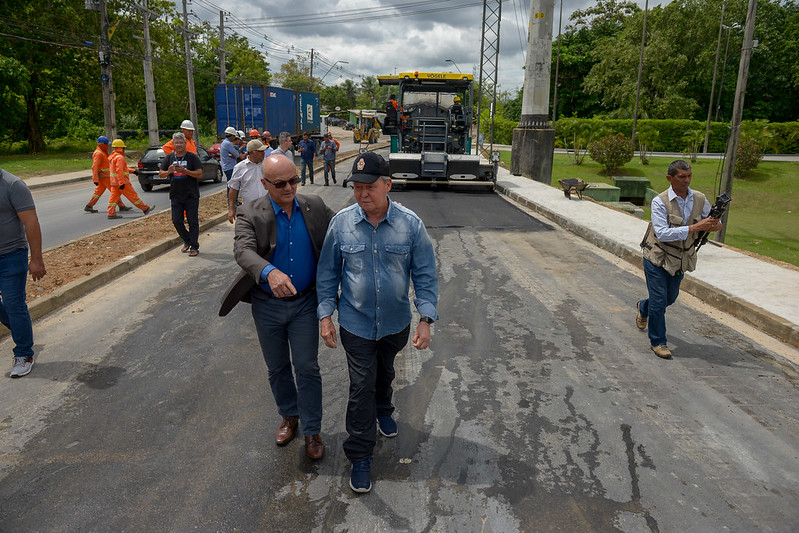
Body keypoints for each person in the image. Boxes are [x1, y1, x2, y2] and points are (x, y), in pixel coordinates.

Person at [316, 152, 439, 493]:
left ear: (388, 185)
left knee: (384, 373)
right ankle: (360, 456)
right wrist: (325, 315)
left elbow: (425, 274)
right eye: (356, 187)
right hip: (355, 323)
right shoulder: (341, 223)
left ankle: (384, 407)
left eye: (369, 187)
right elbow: (327, 274)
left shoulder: (410, 224)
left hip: (396, 323)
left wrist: (426, 318)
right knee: (360, 386)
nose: (362, 194)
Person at [219, 154, 335, 461]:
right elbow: (243, 250)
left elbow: (343, 229)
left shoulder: (315, 207)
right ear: (264, 184)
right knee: (277, 367)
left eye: (294, 180)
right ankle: (289, 416)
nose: (289, 188)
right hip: (267, 305)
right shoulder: (250, 212)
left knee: (307, 367)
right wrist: (270, 272)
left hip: (305, 304)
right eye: (280, 183)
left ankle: (312, 430)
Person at [636, 159, 723, 359]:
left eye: (689, 176)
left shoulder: (699, 198)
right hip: (657, 257)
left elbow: (715, 225)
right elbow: (663, 233)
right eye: (681, 177)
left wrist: (714, 224)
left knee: (670, 298)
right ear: (670, 178)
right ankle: (658, 342)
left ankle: (643, 307)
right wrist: (694, 228)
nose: (686, 181)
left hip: (681, 259)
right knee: (659, 301)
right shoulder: (660, 201)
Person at [0, 168, 46, 378]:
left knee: (13, 303)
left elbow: (31, 222)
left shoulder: (12, 185)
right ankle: (22, 329)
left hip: (11, 255)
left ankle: (24, 353)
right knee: (14, 310)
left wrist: (36, 259)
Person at [158, 132, 202, 256]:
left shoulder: (192, 157)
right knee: (176, 220)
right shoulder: (169, 158)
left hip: (191, 195)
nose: (179, 145)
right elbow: (161, 173)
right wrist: (169, 171)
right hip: (176, 195)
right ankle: (187, 240)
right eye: (176, 143)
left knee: (193, 221)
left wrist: (185, 171)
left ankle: (194, 246)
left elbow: (199, 173)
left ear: (185, 144)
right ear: (173, 144)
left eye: (181, 142)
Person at [107, 139, 154, 219]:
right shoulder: (120, 158)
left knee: (113, 198)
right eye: (123, 148)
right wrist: (121, 183)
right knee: (133, 196)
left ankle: (111, 213)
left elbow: (123, 168)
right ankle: (145, 208)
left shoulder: (112, 157)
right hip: (123, 183)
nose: (124, 150)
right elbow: (119, 171)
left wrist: (133, 171)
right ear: (121, 148)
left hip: (114, 182)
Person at [84, 136, 129, 213]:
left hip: (104, 176)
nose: (108, 146)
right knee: (114, 191)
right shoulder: (98, 153)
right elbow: (94, 166)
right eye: (107, 144)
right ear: (103, 144)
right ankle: (121, 206)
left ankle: (89, 206)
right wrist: (95, 179)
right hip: (105, 176)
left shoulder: (103, 152)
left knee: (98, 192)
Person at [227, 140, 267, 223]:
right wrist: (231, 209)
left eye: (263, 151)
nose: (263, 153)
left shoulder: (268, 164)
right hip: (249, 210)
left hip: (267, 209)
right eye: (260, 151)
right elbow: (233, 188)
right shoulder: (240, 168)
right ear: (251, 153)